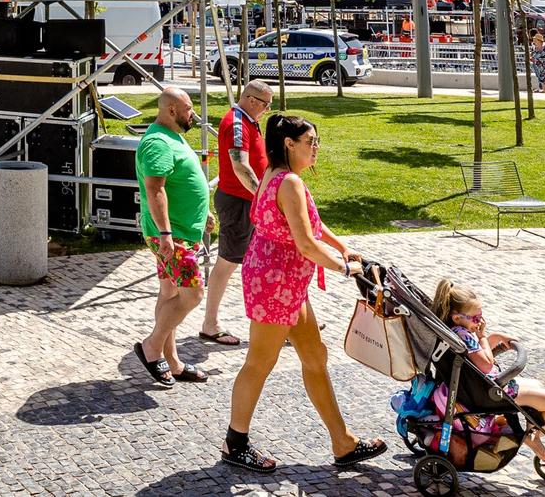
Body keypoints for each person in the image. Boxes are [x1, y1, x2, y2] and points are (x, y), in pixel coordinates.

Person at [221, 113, 385, 474]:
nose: (316, 148)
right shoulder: (289, 182)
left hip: (283, 281)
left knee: (315, 355)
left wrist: (343, 247)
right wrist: (344, 267)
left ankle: (343, 442)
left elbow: (311, 224)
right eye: (311, 141)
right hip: (276, 284)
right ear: (289, 144)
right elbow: (306, 243)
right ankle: (236, 443)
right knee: (260, 362)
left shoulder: (274, 176)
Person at [431, 278, 545, 465]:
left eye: (480, 316)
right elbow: (486, 365)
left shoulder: (455, 331)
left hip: (477, 385)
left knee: (538, 386)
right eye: (475, 318)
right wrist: (483, 337)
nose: (479, 322)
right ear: (457, 317)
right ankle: (534, 437)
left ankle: (532, 431)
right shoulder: (465, 336)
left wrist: (495, 338)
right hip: (486, 393)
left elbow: (475, 357)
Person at [135, 86, 212, 388]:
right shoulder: (157, 143)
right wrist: (166, 233)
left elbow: (181, 182)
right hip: (172, 236)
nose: (193, 114)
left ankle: (174, 362)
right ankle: (151, 347)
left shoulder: (172, 136)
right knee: (192, 294)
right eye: (188, 109)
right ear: (171, 110)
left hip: (180, 232)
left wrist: (202, 211)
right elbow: (155, 190)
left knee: (169, 293)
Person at [198, 80, 272, 347]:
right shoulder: (237, 123)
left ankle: (280, 318)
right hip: (240, 203)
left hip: (246, 202)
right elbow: (240, 166)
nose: (268, 109)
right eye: (266, 104)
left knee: (264, 259)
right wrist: (264, 198)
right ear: (252, 100)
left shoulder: (246, 121)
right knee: (227, 262)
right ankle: (210, 324)